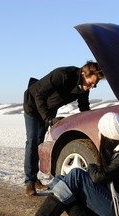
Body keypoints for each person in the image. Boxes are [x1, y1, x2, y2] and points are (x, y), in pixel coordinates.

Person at [15, 112, 119, 216]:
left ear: (107, 135)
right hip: (111, 207)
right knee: (59, 180)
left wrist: (91, 166)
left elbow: (99, 177)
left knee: (76, 175)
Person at [23, 61, 104, 196]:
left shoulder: (84, 88)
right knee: (32, 142)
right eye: (91, 83)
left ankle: (35, 178)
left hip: (50, 108)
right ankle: (29, 182)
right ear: (83, 74)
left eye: (95, 85)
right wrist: (48, 119)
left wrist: (91, 124)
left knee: (39, 142)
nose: (92, 86)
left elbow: (84, 107)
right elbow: (39, 95)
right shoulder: (62, 75)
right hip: (32, 104)